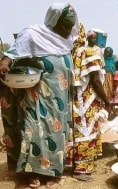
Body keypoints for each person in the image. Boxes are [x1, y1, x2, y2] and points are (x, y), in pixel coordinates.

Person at [0, 2, 79, 188]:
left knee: (56, 132)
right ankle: (32, 172)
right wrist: (4, 63)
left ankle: (53, 171)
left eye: (70, 26)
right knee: (33, 131)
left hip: (60, 99)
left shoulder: (66, 42)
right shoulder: (33, 34)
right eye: (65, 26)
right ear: (54, 22)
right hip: (36, 96)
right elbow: (13, 52)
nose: (68, 30)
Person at [70, 29, 110, 181]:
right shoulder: (89, 52)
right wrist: (107, 101)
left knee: (82, 131)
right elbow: (95, 80)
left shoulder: (75, 52)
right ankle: (81, 170)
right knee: (85, 133)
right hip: (86, 100)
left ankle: (83, 166)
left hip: (78, 99)